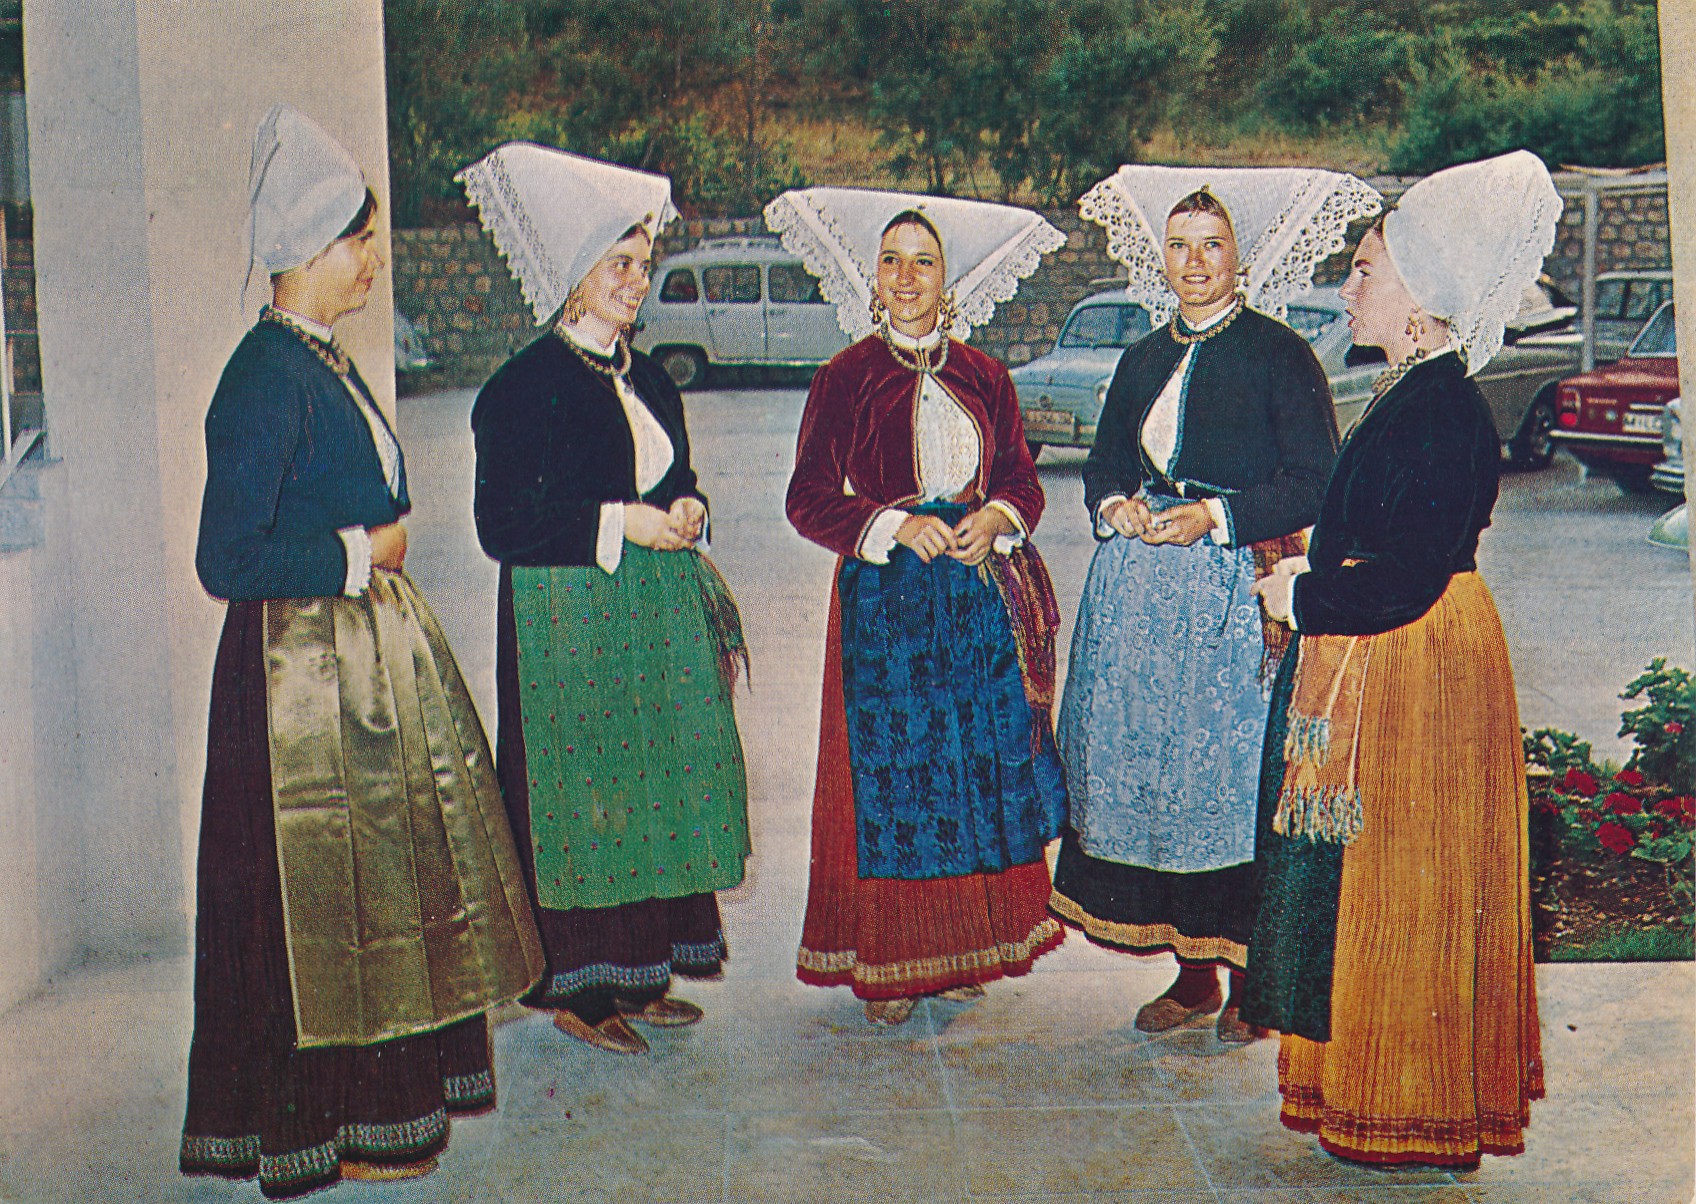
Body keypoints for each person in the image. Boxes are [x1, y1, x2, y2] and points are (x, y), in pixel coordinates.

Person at [181, 105, 543, 1198]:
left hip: (356, 673)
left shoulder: (318, 360)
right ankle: (313, 1123)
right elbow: (225, 555)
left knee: (379, 887)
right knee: (312, 905)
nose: (375, 259)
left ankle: (377, 1111)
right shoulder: (264, 375)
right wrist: (358, 552)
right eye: (361, 240)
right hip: (296, 683)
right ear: (306, 248)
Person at [1242, 150, 1554, 1166]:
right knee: (1375, 881)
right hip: (1397, 647)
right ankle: (1374, 1092)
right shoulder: (1416, 390)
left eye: (1365, 269)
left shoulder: (1441, 407)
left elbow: (1409, 573)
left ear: (1418, 297)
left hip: (1416, 657)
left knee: (1406, 882)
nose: (1348, 287)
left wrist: (1303, 595)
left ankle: (1415, 1108)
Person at [1053, 167, 1380, 1042]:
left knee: (1229, 785)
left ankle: (1247, 984)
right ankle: (1192, 975)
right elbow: (1104, 464)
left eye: (1212, 246)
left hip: (1236, 595)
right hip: (1139, 602)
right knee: (1159, 781)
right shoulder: (1141, 357)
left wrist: (1214, 517)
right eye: (1179, 246)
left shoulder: (1279, 354)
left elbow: (1315, 480)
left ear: (1241, 257)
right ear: (1159, 257)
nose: (1194, 263)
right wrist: (1115, 505)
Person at [459, 143, 751, 1056]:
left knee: (653, 786)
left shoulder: (649, 375)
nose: (636, 282)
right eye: (618, 265)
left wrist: (690, 505)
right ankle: (579, 989)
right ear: (572, 273)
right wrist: (624, 522)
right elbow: (502, 524)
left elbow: (673, 472)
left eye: (642, 264)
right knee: (584, 799)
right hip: (569, 626)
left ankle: (641, 971)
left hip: (650, 618)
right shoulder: (521, 388)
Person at [766, 186, 1069, 1025]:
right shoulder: (845, 376)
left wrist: (996, 518)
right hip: (886, 608)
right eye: (891, 262)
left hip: (973, 603)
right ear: (874, 278)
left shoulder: (986, 376)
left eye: (923, 263)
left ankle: (955, 949)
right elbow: (806, 498)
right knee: (895, 781)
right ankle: (893, 962)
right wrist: (892, 525)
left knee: (966, 776)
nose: (906, 278)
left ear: (948, 279)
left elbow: (1021, 479)